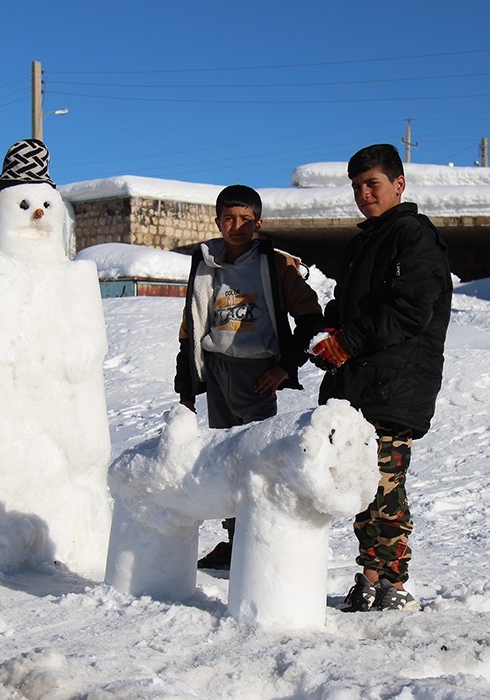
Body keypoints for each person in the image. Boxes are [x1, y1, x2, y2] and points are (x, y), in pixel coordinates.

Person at [310, 144, 452, 612]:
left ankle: (388, 582)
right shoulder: (364, 243)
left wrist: (348, 341)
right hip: (361, 386)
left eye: (372, 184)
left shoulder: (413, 237)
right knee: (364, 483)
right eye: (356, 186)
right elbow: (351, 310)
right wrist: (328, 334)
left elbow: (411, 311)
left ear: (399, 185)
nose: (364, 194)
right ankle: (375, 578)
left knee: (383, 487)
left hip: (396, 383)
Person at [175, 184, 324, 570]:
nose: (236, 226)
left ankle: (261, 538)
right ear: (217, 221)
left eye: (245, 219)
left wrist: (284, 367)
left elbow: (310, 318)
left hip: (257, 373)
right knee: (223, 458)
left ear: (259, 222)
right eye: (229, 218)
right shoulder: (205, 262)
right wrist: (188, 386)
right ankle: (234, 540)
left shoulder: (274, 265)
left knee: (256, 459)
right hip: (218, 369)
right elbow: (192, 325)